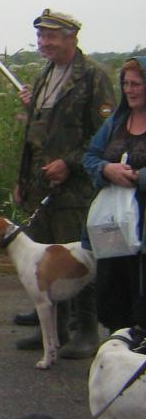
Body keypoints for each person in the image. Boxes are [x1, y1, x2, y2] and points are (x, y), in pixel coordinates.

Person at [12, 9, 116, 358]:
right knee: (45, 260)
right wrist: (23, 180)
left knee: (79, 260)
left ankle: (86, 331)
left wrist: (69, 164)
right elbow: (34, 133)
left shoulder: (93, 77)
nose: (44, 43)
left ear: (71, 38)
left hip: (75, 189)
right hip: (42, 186)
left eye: (51, 37)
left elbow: (105, 136)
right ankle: (52, 333)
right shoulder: (45, 75)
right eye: (41, 36)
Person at [82, 56, 146, 335]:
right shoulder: (116, 122)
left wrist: (138, 177)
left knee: (140, 296)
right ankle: (116, 349)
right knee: (112, 296)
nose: (129, 90)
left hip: (142, 226)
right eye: (125, 84)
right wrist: (106, 169)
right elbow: (90, 157)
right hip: (112, 226)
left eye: (136, 84)